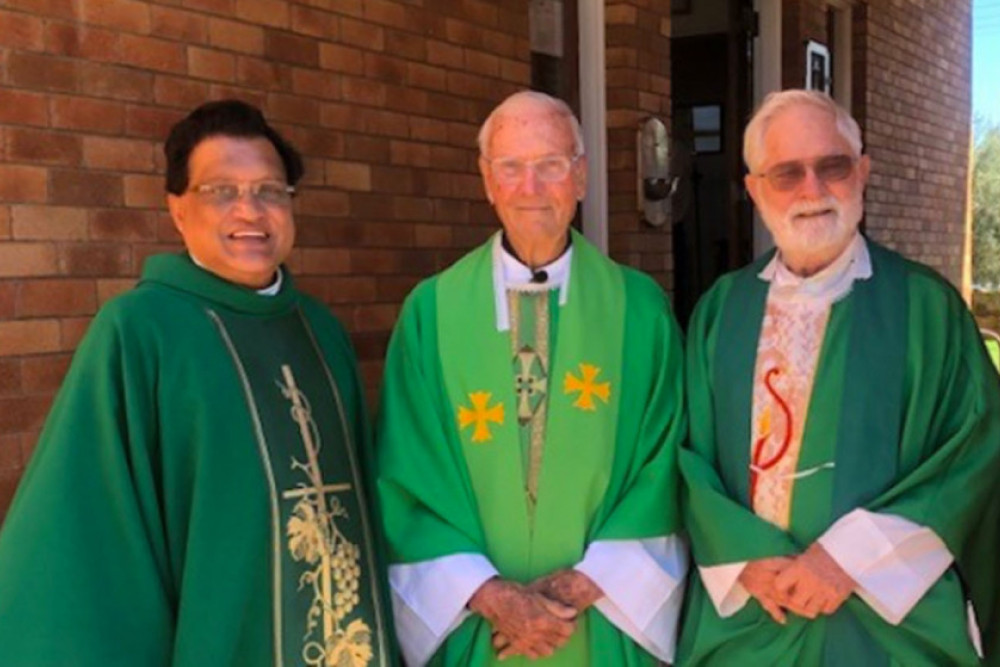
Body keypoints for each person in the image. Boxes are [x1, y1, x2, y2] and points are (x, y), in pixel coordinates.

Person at [0, 100, 395, 666]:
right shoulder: (140, 332)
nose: (250, 210)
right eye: (221, 192)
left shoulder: (319, 330)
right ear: (177, 210)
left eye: (270, 191)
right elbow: (84, 536)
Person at [677, 89, 1000, 666]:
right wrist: (745, 559)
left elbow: (972, 454)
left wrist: (850, 559)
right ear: (754, 190)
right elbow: (689, 457)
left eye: (833, 166)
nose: (812, 190)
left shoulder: (926, 308)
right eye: (786, 173)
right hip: (755, 612)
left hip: (890, 621)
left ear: (863, 173)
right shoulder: (720, 311)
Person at [376, 90, 688, 666]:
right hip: (478, 627)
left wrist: (575, 590)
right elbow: (405, 477)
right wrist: (494, 598)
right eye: (511, 168)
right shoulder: (431, 313)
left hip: (599, 624)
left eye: (551, 165)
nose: (531, 187)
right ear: (487, 182)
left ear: (582, 177)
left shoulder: (640, 312)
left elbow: (665, 466)